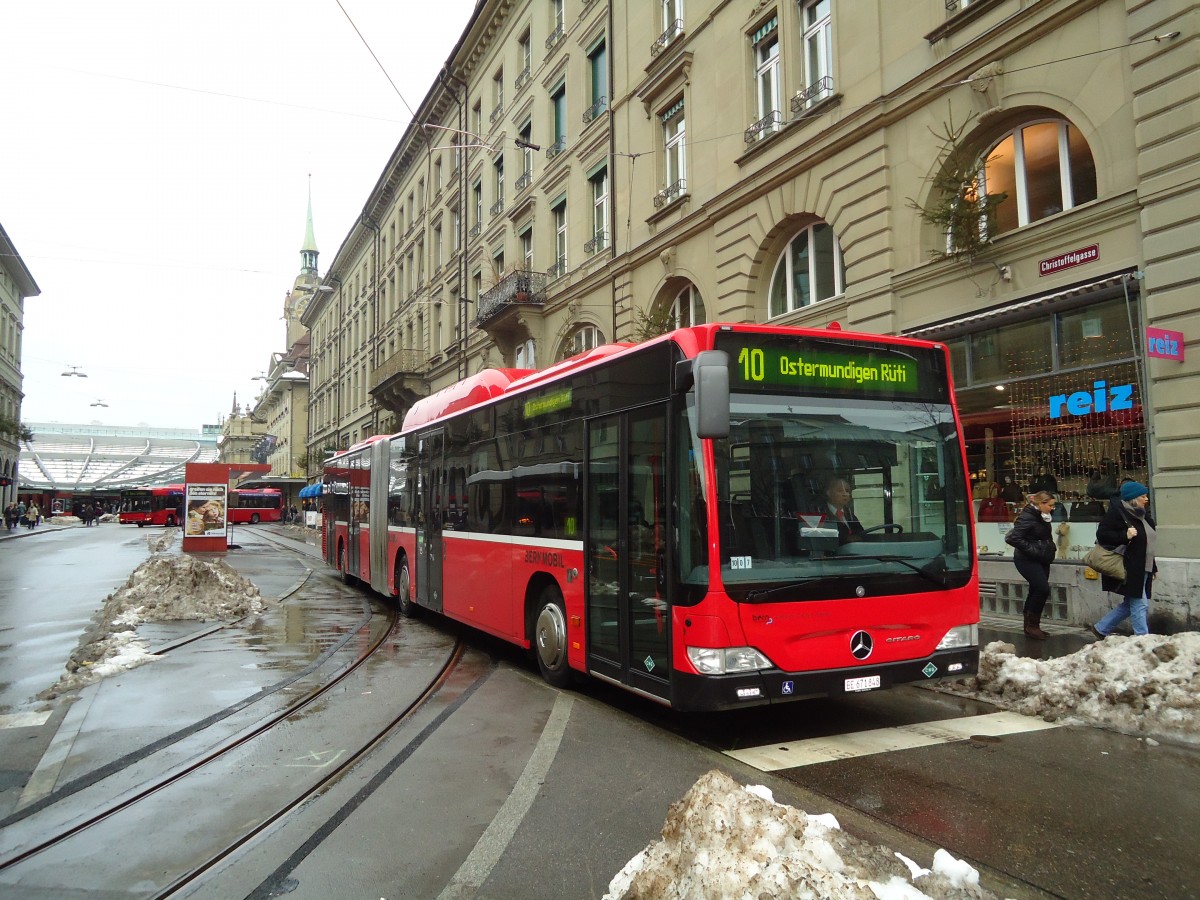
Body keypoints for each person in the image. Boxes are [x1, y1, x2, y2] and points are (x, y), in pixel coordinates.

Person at [1090, 481, 1157, 638]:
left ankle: (1101, 628)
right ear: (1133, 498)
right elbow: (1102, 535)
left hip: (1144, 566)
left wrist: (1153, 567)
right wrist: (1124, 536)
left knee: (1130, 603)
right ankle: (1143, 639)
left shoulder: (1144, 516)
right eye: (1143, 496)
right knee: (1140, 603)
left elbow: (1148, 544)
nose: (1146, 499)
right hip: (1130, 566)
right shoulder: (1117, 514)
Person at [1004, 491, 1058, 640]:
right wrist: (1034, 550)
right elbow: (1014, 538)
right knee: (1042, 588)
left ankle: (1031, 626)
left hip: (1041, 558)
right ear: (1040, 504)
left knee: (1036, 589)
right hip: (1027, 559)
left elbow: (1042, 537)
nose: (1052, 508)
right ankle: (1032, 626)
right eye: (1050, 505)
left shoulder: (1043, 517)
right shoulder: (1027, 517)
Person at [823, 476, 865, 543]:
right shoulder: (820, 512)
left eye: (847, 491)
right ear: (829, 493)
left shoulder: (850, 514)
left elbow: (862, 534)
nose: (845, 494)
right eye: (840, 490)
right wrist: (846, 539)